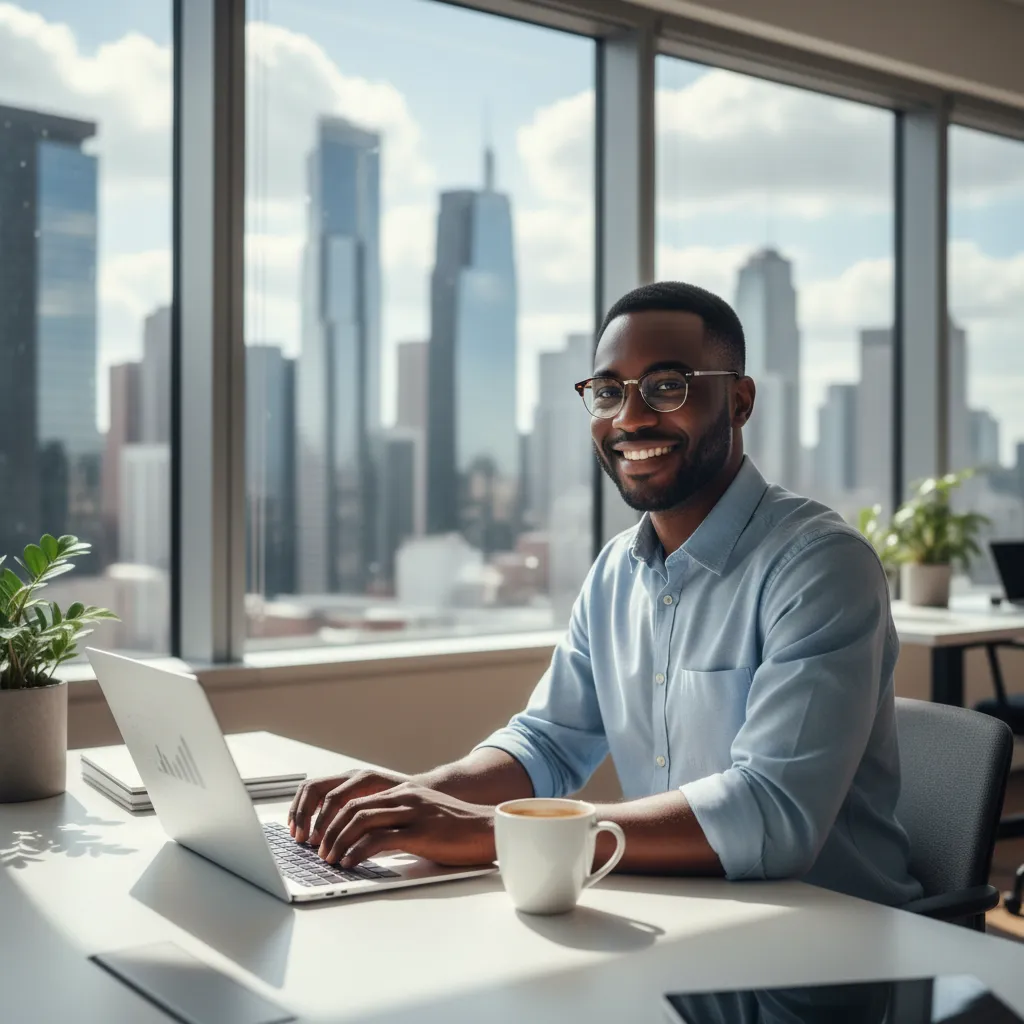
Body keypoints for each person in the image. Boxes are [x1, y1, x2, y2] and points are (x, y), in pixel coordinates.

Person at [289, 281, 922, 905]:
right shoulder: (617, 570)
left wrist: (491, 833)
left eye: (666, 387)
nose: (631, 417)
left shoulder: (819, 566)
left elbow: (772, 814)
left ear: (739, 401)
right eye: (608, 392)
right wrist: (410, 803)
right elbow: (547, 745)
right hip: (681, 916)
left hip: (829, 944)